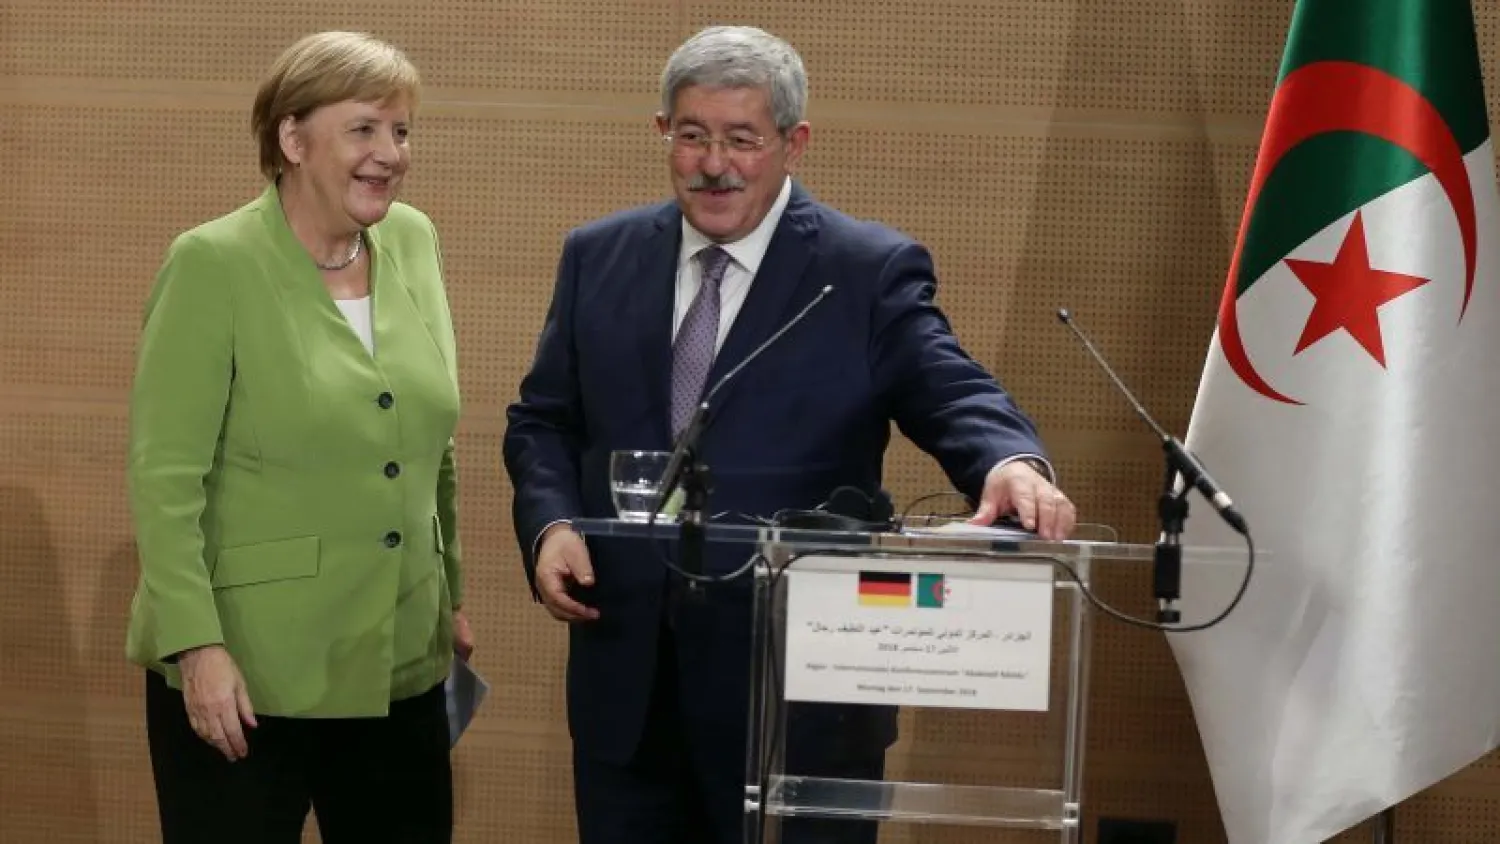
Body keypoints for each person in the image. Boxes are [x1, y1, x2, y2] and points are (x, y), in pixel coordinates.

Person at [503, 24, 1076, 844]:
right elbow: (544, 420)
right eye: (692, 136)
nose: (714, 164)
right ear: (663, 131)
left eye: (742, 140)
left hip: (800, 693)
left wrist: (1008, 461)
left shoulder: (864, 270)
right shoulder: (598, 256)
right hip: (629, 685)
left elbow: (952, 389)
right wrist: (552, 522)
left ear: (793, 142)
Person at [123, 30, 472, 844]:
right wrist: (197, 648)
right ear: (292, 137)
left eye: (402, 131)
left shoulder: (413, 240)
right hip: (248, 677)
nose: (391, 153)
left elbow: (431, 443)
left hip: (402, 660)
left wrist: (449, 594)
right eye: (364, 129)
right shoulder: (212, 263)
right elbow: (165, 479)